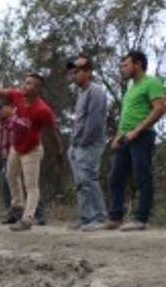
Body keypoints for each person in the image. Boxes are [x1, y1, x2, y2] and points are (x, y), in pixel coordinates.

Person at [0, 66, 63, 231]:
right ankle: (17, 206)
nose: (24, 86)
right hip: (16, 147)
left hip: (32, 150)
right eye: (25, 82)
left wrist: (58, 153)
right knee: (10, 176)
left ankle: (27, 219)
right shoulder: (17, 96)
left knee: (31, 186)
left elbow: (52, 134)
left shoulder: (43, 110)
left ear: (37, 88)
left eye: (29, 84)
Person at [105, 49, 165, 231]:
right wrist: (118, 136)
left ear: (138, 64)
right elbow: (126, 115)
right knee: (115, 177)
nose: (122, 69)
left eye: (125, 65)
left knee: (142, 176)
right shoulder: (131, 88)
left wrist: (138, 130)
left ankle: (141, 219)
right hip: (125, 138)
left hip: (142, 137)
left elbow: (160, 108)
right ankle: (115, 217)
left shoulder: (152, 82)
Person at [65, 56, 109, 231]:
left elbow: (95, 120)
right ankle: (86, 218)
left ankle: (99, 218)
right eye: (71, 73)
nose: (73, 76)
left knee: (88, 179)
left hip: (89, 144)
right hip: (76, 145)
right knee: (80, 182)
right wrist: (73, 144)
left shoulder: (95, 90)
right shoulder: (81, 92)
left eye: (77, 72)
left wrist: (83, 142)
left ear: (88, 72)